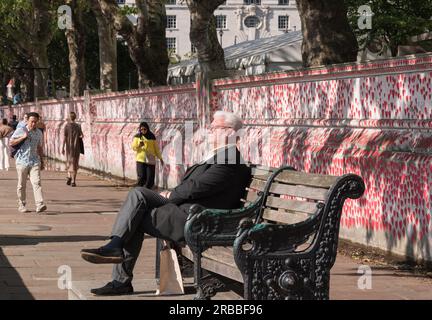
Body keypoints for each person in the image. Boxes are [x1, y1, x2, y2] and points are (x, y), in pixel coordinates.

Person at [81, 111, 251, 296]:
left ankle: (118, 270)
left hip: (199, 220)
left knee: (135, 215)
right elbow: (192, 185)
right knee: (137, 194)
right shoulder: (219, 156)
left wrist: (171, 194)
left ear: (229, 132)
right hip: (187, 210)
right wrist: (172, 194)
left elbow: (196, 187)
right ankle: (115, 246)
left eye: (214, 128)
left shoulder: (229, 160)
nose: (209, 131)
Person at [10, 112, 47, 214]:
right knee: (22, 184)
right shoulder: (21, 130)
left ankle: (39, 204)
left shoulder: (39, 133)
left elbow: (39, 147)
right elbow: (11, 142)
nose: (33, 124)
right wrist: (23, 137)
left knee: (37, 182)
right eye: (32, 122)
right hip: (22, 161)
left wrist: (42, 160)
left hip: (34, 161)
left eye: (35, 122)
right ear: (28, 121)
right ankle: (21, 205)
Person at [131, 122, 164, 189]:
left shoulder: (152, 136)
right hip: (140, 160)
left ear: (147, 129)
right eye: (141, 129)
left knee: (150, 178)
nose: (143, 131)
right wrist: (139, 145)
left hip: (150, 160)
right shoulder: (137, 137)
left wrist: (160, 158)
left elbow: (156, 149)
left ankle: (148, 192)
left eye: (144, 129)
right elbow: (133, 147)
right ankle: (139, 191)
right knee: (142, 176)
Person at [62, 112, 83, 187]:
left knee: (69, 162)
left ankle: (69, 176)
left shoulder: (67, 126)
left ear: (69, 117)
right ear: (75, 117)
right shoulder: (78, 126)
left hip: (69, 148)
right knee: (75, 163)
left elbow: (64, 137)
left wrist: (62, 147)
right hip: (76, 148)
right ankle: (73, 181)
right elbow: (81, 136)